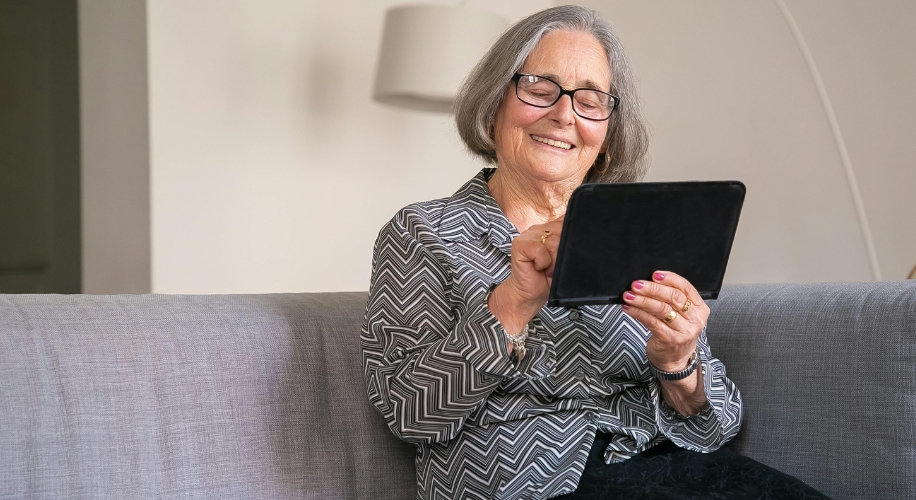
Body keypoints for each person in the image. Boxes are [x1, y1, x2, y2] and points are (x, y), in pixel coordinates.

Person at [362, 5, 829, 499]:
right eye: (540, 89)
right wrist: (513, 303)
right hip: (529, 483)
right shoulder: (425, 231)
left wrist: (679, 361)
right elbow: (409, 413)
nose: (564, 114)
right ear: (494, 104)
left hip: (665, 467)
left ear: (606, 135)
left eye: (590, 101)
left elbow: (716, 428)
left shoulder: (638, 230)